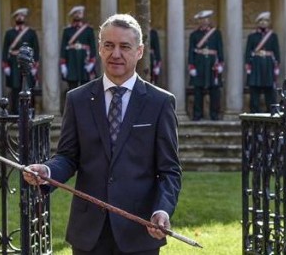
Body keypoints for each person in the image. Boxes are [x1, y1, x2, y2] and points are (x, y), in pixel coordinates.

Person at [23, 13, 182, 255]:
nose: (115, 53)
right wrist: (48, 171)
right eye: (109, 45)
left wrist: (162, 210)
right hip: (88, 232)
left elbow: (169, 170)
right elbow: (67, 156)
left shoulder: (160, 102)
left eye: (124, 47)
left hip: (139, 231)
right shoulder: (77, 99)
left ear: (139, 51)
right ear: (99, 48)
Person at [2, 7, 40, 114]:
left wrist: (35, 66)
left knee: (29, 86)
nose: (20, 17)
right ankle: (15, 111)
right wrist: (5, 66)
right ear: (15, 18)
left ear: (25, 17)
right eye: (18, 16)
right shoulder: (9, 33)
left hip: (28, 63)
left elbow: (36, 50)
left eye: (22, 16)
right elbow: (5, 49)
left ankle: (30, 111)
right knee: (15, 88)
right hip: (14, 62)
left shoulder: (31, 33)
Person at [187, 10, 224, 121]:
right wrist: (192, 66)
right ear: (199, 21)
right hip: (199, 64)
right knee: (198, 90)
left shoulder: (216, 33)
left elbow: (220, 49)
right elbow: (191, 51)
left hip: (212, 65)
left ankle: (214, 115)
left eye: (207, 19)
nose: (205, 21)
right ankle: (197, 114)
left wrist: (221, 63)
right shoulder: (194, 35)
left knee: (215, 90)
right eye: (203, 19)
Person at [244, 11, 280, 113]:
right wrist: (247, 65)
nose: (264, 22)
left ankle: (272, 112)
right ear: (258, 22)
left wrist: (277, 65)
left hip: (269, 65)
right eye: (261, 20)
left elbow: (276, 52)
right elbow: (248, 51)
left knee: (270, 90)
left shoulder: (273, 36)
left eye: (266, 20)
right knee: (254, 89)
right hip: (256, 64)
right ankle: (254, 112)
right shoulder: (252, 36)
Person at [60, 5, 98, 91]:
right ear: (72, 15)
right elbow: (63, 48)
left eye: (80, 13)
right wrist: (63, 65)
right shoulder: (67, 30)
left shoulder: (89, 30)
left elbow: (92, 47)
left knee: (86, 86)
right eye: (76, 13)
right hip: (71, 61)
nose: (78, 15)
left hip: (84, 60)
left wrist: (92, 62)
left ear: (83, 14)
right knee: (72, 87)